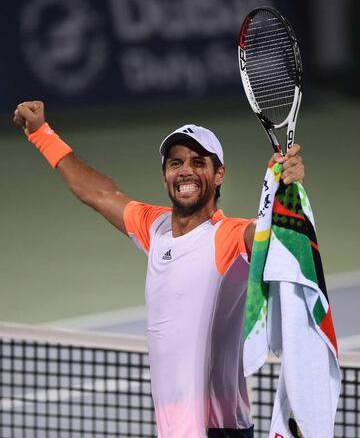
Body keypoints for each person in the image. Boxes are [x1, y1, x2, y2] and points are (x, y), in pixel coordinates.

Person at [13, 101, 304, 438]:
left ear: (218, 173)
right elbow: (97, 192)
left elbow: (271, 236)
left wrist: (284, 195)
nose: (185, 171)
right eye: (176, 162)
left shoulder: (229, 237)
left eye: (199, 163)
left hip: (216, 429)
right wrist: (42, 135)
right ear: (165, 173)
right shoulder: (156, 228)